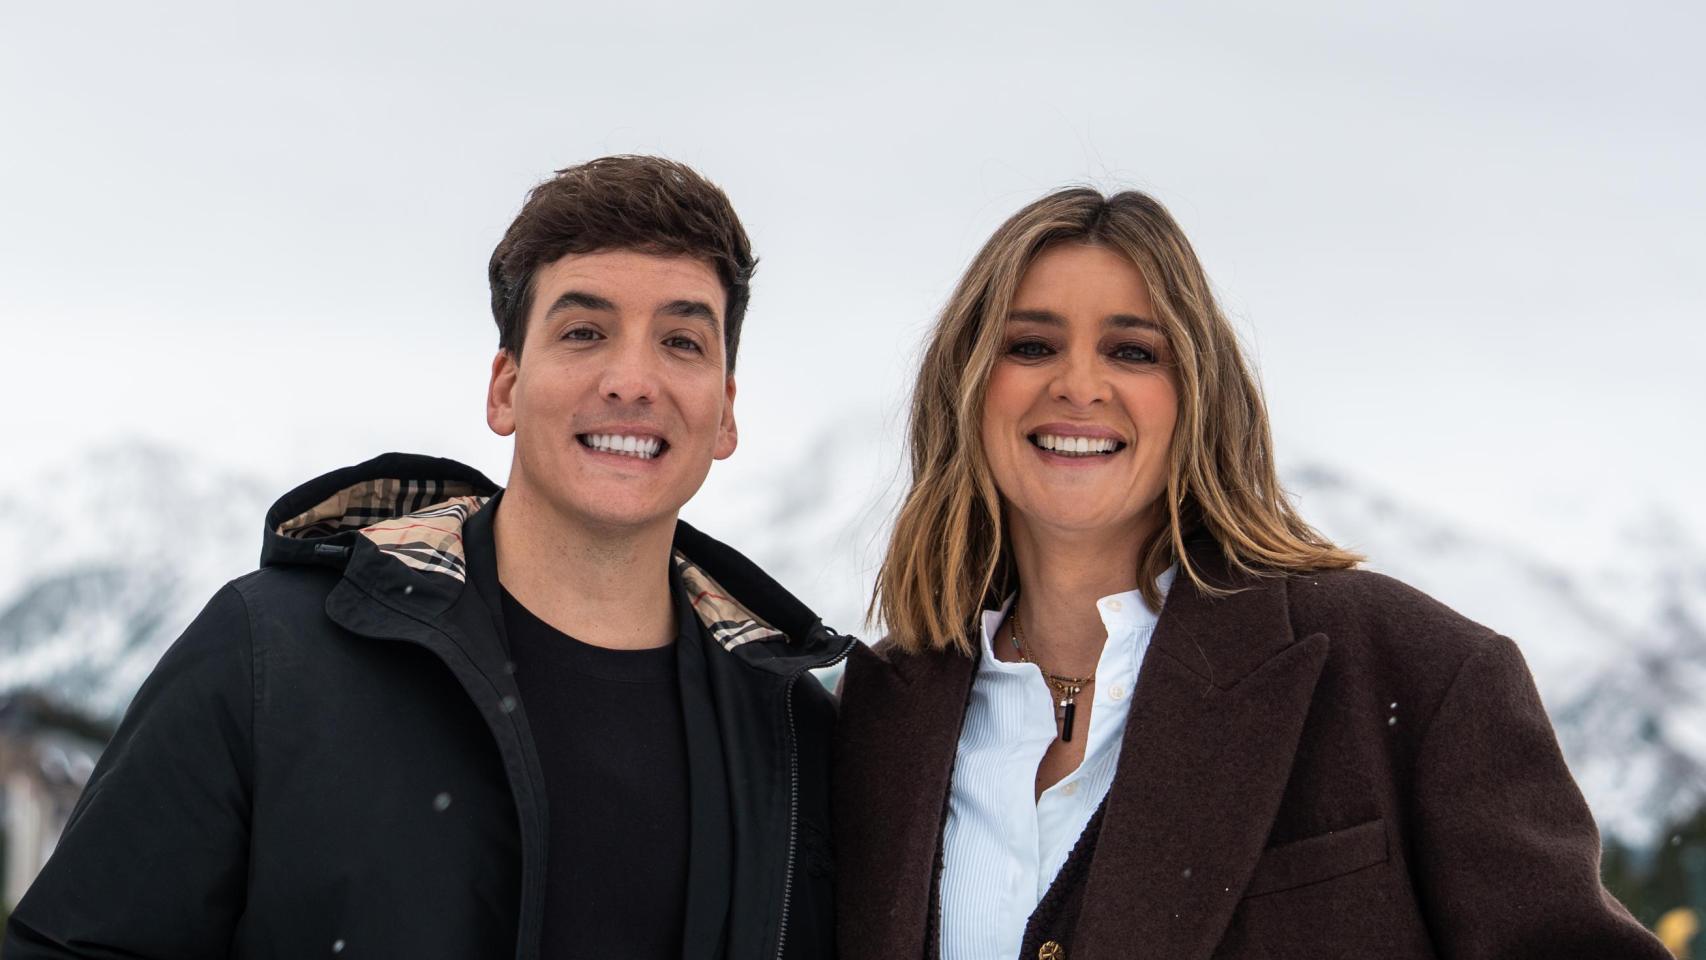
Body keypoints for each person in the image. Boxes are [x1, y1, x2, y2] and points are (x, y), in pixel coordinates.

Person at [4, 156, 850, 960]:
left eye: (682, 342)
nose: (633, 379)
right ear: (505, 387)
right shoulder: (273, 656)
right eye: (586, 331)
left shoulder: (793, 733)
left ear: (727, 411)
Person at [832, 187, 1669, 959]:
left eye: (1133, 351)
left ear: (1199, 392)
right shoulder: (874, 721)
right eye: (1031, 344)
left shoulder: (1411, 670)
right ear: (968, 385)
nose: (1079, 385)